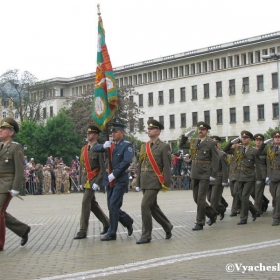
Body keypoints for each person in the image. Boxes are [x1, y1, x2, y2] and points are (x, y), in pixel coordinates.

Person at [92, 121, 134, 241]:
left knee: (113, 205)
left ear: (122, 132)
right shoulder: (110, 144)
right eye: (112, 132)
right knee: (112, 207)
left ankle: (112, 232)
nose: (113, 134)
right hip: (110, 181)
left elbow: (126, 162)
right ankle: (128, 221)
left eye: (115, 132)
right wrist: (103, 146)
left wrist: (114, 174)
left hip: (120, 179)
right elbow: (94, 148)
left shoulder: (127, 145)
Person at [136, 119, 173, 244]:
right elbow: (139, 164)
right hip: (145, 179)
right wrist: (137, 181)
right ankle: (167, 226)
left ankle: (146, 235)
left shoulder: (164, 146)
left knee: (144, 205)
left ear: (158, 131)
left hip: (155, 180)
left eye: (151, 129)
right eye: (148, 129)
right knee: (153, 207)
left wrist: (166, 183)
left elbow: (167, 166)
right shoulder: (144, 146)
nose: (148, 130)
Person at [180, 121, 219, 231]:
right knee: (196, 199)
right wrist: (184, 137)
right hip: (194, 172)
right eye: (199, 129)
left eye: (203, 129)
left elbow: (216, 160)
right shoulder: (194, 142)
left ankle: (200, 222)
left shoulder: (211, 143)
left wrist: (213, 174)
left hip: (205, 174)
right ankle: (212, 214)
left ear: (207, 131)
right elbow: (182, 145)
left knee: (201, 199)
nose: (200, 131)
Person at [73, 125, 109, 239]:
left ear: (96, 135)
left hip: (93, 180)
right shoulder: (83, 149)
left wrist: (98, 182)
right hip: (85, 180)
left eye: (91, 133)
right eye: (87, 133)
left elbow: (102, 169)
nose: (88, 135)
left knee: (85, 203)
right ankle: (107, 223)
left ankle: (82, 230)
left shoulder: (99, 148)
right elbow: (81, 167)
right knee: (92, 204)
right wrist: (79, 181)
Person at [0, 118, 31, 251]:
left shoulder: (15, 147)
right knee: (1, 212)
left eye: (4, 129)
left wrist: (16, 188)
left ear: (11, 132)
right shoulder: (1, 146)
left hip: (7, 185)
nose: (0, 130)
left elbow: (20, 169)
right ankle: (23, 229)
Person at [225, 131, 261, 225]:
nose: (244, 139)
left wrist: (259, 179)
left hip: (249, 176)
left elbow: (258, 165)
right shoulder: (238, 149)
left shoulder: (254, 151)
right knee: (240, 196)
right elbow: (225, 150)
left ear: (249, 139)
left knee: (245, 196)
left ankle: (243, 218)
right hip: (239, 176)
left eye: (246, 138)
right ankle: (254, 210)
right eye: (242, 138)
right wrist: (231, 142)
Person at [207, 136, 229, 222]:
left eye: (216, 144)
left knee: (213, 198)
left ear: (219, 145)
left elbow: (224, 168)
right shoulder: (209, 153)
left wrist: (225, 180)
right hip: (209, 178)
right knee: (209, 198)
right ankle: (222, 208)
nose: (215, 146)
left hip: (218, 177)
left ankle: (213, 216)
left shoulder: (222, 154)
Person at [266, 131, 280, 226]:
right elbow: (257, 152)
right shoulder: (269, 149)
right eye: (275, 137)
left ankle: (276, 217)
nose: (277, 139)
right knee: (274, 197)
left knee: (279, 196)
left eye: (279, 137)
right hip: (273, 176)